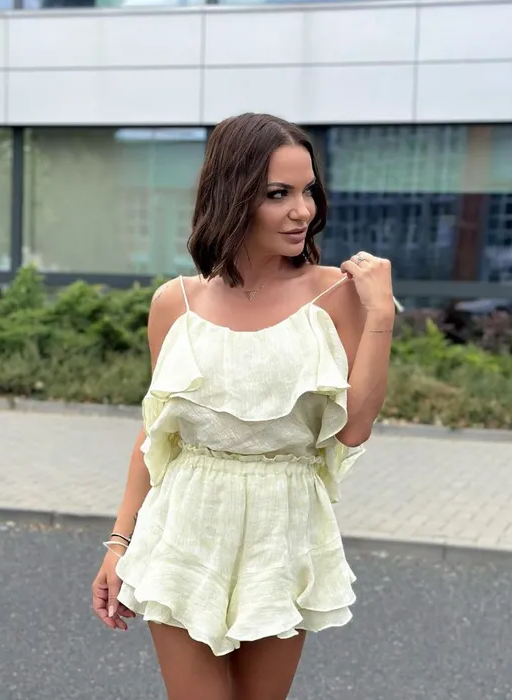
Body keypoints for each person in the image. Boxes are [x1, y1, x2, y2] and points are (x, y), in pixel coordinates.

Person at [91, 112, 395, 700]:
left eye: (308, 191)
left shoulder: (337, 295)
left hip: (283, 528)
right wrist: (119, 543)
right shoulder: (175, 302)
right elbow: (156, 435)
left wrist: (380, 314)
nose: (302, 211)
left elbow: (353, 428)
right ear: (232, 196)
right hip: (185, 524)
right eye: (278, 194)